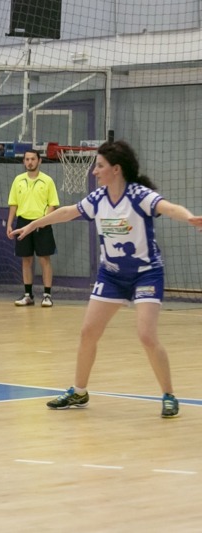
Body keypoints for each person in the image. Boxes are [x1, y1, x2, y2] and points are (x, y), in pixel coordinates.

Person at [13, 140, 202, 418]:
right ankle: (79, 391)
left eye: (99, 166)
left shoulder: (139, 195)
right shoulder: (98, 198)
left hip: (146, 273)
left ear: (116, 169)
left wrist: (190, 218)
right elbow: (67, 212)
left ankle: (169, 395)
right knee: (88, 332)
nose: (94, 171)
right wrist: (33, 225)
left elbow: (169, 207)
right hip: (112, 275)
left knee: (147, 335)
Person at [6, 149, 60, 307]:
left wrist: (44, 221)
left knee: (44, 259)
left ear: (39, 161)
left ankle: (47, 296)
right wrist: (9, 224)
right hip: (23, 223)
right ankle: (28, 295)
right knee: (26, 259)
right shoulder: (18, 180)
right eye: (27, 159)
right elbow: (13, 204)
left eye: (33, 159)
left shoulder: (47, 181)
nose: (30, 162)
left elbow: (53, 204)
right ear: (24, 162)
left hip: (42, 223)